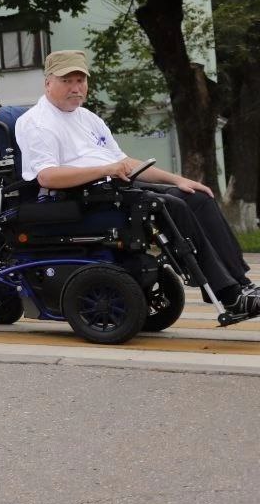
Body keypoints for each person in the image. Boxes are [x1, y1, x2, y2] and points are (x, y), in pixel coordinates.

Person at [15, 49, 259, 318]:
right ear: (48, 82)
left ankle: (241, 284)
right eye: (67, 81)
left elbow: (125, 163)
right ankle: (228, 295)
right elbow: (47, 176)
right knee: (170, 205)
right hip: (76, 199)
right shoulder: (36, 122)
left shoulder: (88, 118)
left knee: (197, 197)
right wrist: (105, 169)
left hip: (113, 190)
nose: (76, 88)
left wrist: (178, 178)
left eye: (80, 81)